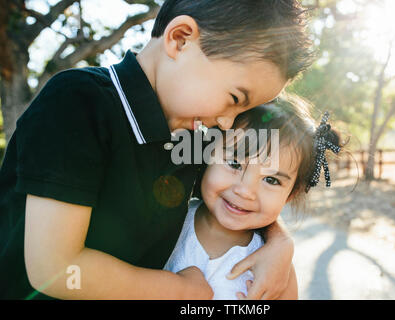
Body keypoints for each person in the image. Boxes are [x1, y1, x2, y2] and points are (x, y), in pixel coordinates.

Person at [0, 0, 314, 299]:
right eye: (234, 98)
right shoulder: (78, 102)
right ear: (180, 39)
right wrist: (179, 292)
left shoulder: (194, 136)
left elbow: (241, 186)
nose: (229, 123)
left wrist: (279, 244)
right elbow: (55, 269)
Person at [164, 95, 343, 299]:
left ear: (291, 194)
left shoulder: (275, 271)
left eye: (271, 180)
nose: (245, 191)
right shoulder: (168, 219)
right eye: (234, 164)